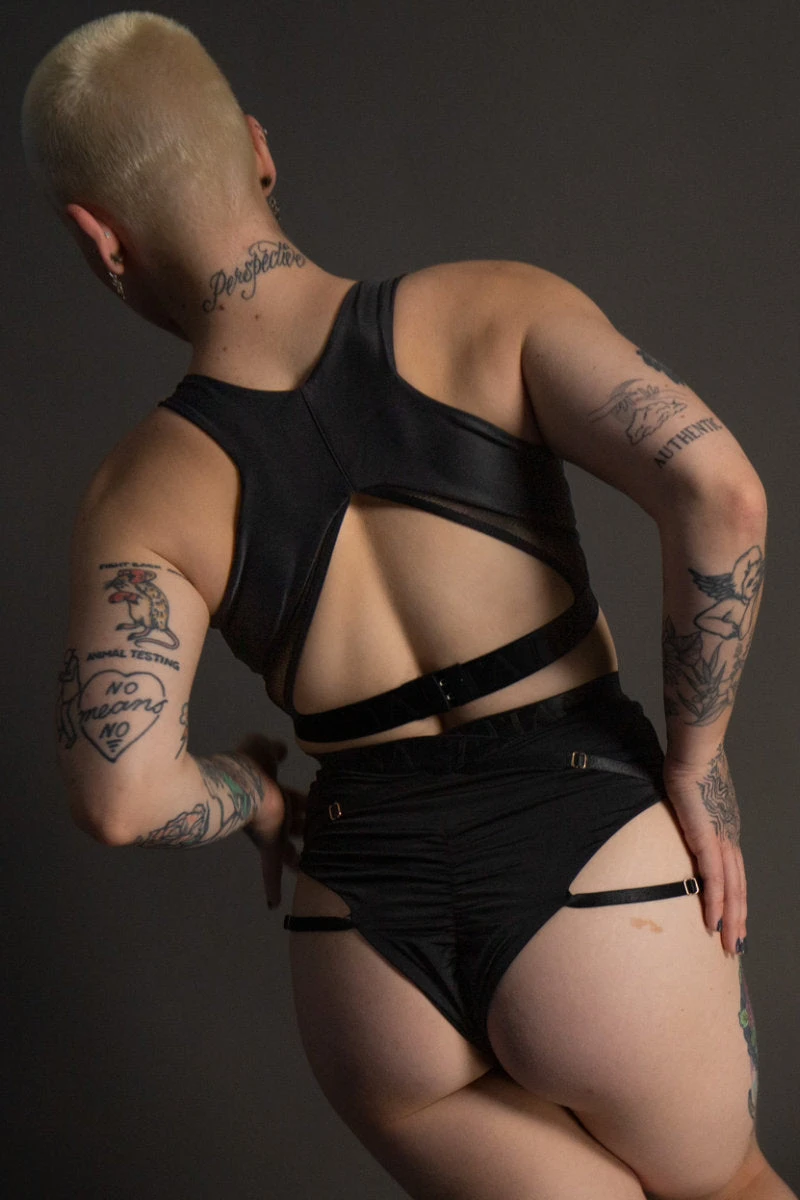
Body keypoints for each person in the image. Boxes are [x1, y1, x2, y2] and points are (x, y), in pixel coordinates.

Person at [23, 12, 795, 1200]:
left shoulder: (138, 493)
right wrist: (695, 755)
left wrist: (256, 796)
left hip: (367, 951)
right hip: (596, 875)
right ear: (257, 146)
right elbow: (718, 491)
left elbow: (119, 798)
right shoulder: (490, 309)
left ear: (99, 239)